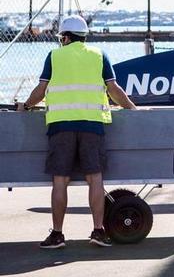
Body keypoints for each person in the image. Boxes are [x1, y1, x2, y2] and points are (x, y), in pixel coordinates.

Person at [17, 15, 137, 249]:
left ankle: (57, 235)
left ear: (65, 36)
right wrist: (133, 109)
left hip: (60, 126)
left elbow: (41, 90)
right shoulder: (99, 55)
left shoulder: (54, 56)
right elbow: (114, 89)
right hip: (92, 125)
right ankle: (98, 231)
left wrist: (27, 105)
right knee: (95, 179)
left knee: (60, 181)